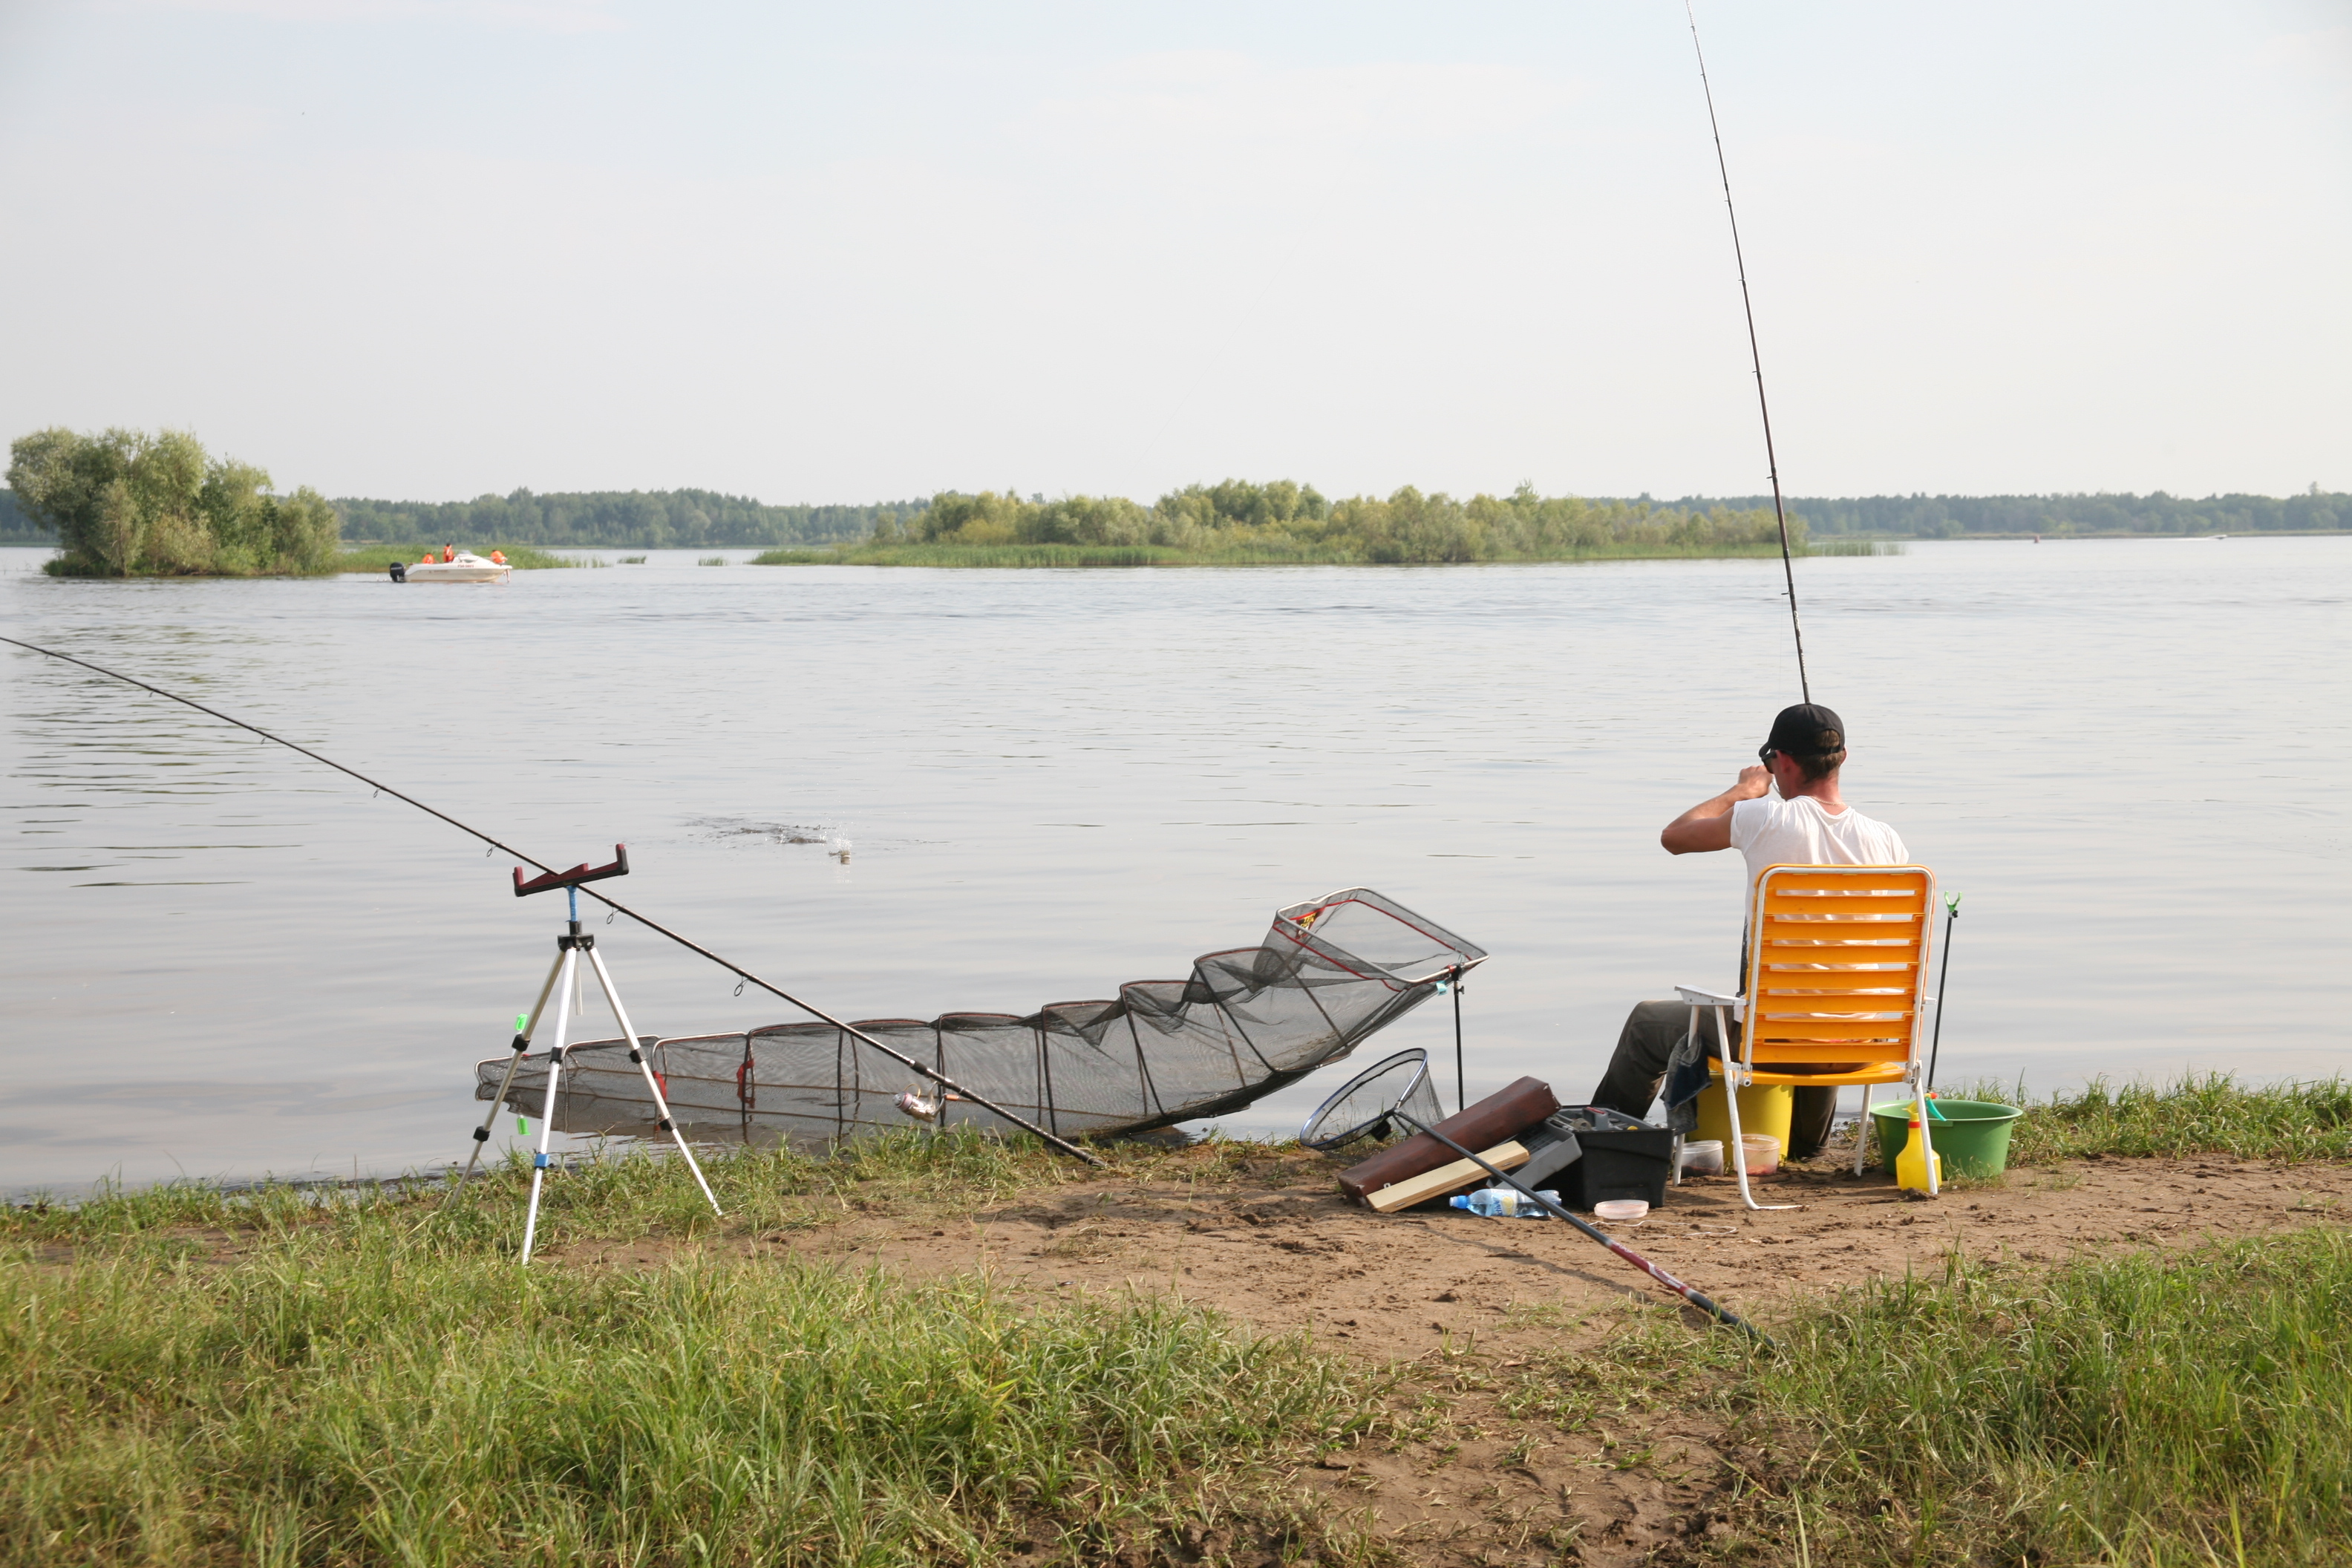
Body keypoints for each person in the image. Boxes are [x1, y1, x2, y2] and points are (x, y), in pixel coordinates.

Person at [1588, 702, 1909, 1158]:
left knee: (1646, 1022)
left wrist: (1742, 790)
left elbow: (1675, 837)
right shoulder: (1887, 839)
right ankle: (1806, 1147)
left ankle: (1601, 1147)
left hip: (1775, 1042)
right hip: (1862, 1043)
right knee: (1824, 1000)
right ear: (1843, 757)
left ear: (1783, 762)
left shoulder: (1765, 818)